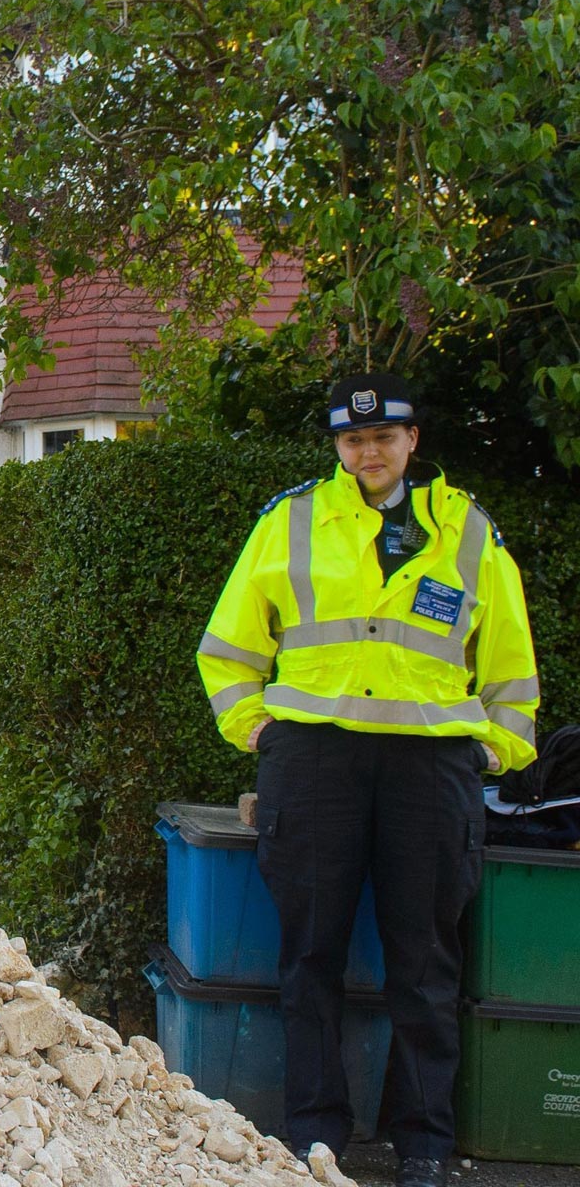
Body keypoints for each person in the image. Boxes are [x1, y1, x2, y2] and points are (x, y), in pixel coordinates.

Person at [197, 373, 539, 1187]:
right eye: (352, 441)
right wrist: (261, 731)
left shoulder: (467, 531)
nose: (368, 452)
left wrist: (491, 752)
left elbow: (512, 664)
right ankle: (315, 1133)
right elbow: (229, 645)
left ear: (412, 441)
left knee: (425, 963)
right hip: (315, 763)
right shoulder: (291, 521)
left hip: (430, 769)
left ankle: (422, 1143)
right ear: (337, 448)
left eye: (384, 437)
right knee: (309, 953)